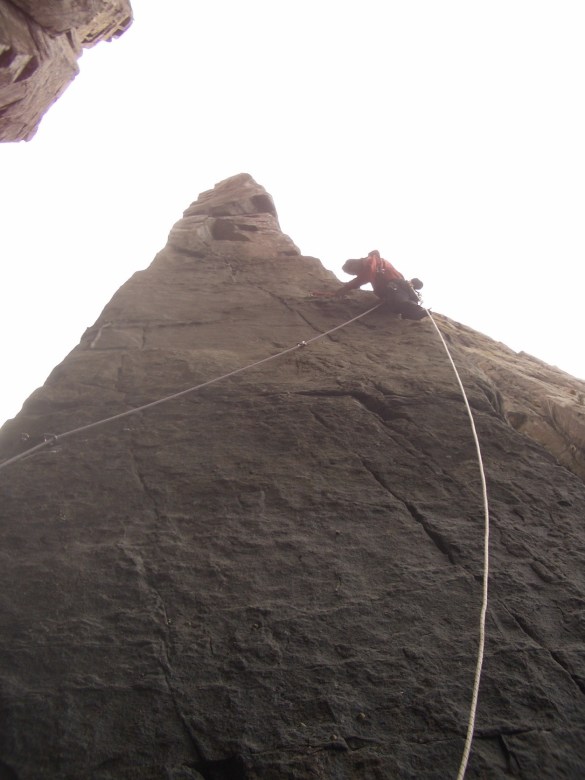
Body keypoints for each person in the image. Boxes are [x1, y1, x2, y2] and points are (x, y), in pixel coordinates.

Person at [315, 250, 428, 320]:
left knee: (399, 300)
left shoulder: (370, 261)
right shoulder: (373, 265)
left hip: (395, 286)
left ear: (355, 263)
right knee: (395, 303)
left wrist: (347, 287)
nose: (356, 274)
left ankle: (416, 310)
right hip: (396, 290)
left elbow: (367, 274)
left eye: (353, 272)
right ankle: (408, 312)